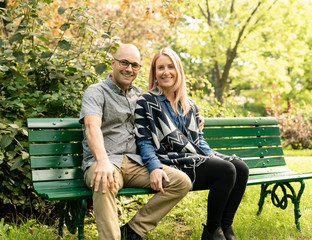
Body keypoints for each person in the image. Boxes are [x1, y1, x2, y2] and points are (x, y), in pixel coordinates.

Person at [79, 43, 192, 240]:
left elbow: (169, 114)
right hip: (104, 162)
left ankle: (133, 231)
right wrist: (103, 161)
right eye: (124, 63)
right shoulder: (96, 92)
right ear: (113, 63)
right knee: (105, 180)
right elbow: (92, 127)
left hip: (134, 162)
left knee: (180, 182)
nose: (129, 69)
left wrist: (194, 117)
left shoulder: (141, 95)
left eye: (135, 65)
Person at [134, 48, 249, 240]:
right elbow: (144, 141)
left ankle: (226, 227)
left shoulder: (189, 104)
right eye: (160, 67)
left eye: (170, 67)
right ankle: (212, 231)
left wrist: (210, 155)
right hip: (170, 162)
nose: (166, 72)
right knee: (226, 170)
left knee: (241, 167)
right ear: (154, 72)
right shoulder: (146, 102)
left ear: (178, 70)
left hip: (192, 157)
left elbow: (198, 141)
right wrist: (154, 167)